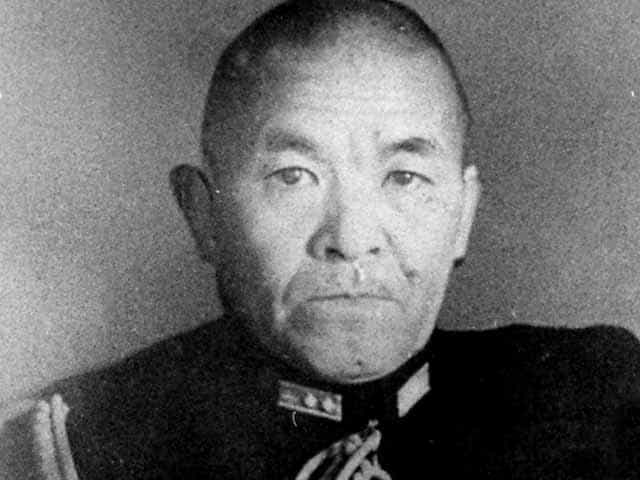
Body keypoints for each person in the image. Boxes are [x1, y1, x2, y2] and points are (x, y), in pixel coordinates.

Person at [4, 0, 640, 478]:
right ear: (203, 215)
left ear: (463, 214)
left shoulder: (598, 407)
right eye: (293, 176)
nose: (352, 239)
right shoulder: (83, 446)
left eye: (405, 177)